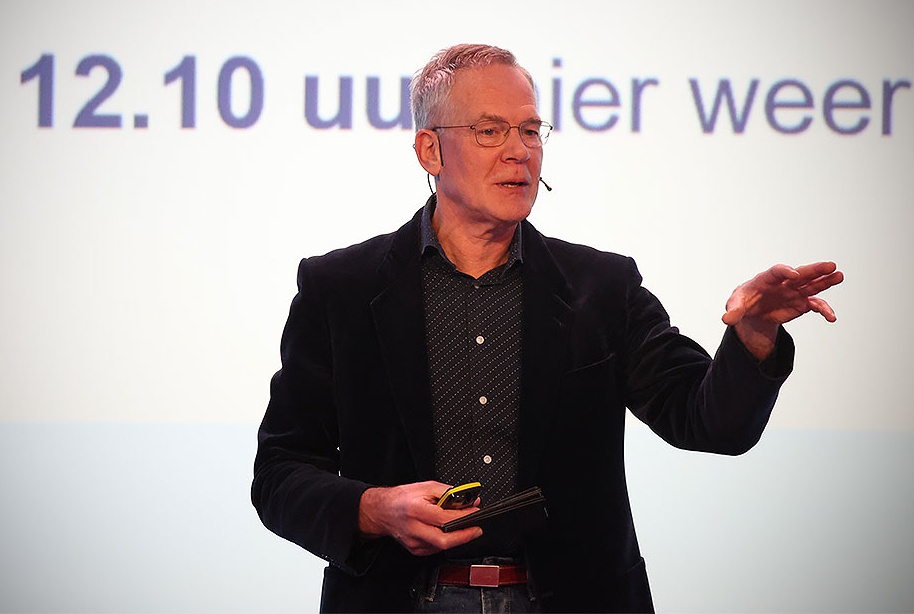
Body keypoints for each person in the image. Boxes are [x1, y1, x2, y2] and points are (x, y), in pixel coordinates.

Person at [251, 43, 843, 613]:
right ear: (430, 151)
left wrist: (754, 334)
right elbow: (279, 475)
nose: (520, 151)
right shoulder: (341, 288)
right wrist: (373, 509)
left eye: (531, 131)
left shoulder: (602, 288)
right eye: (490, 131)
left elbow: (709, 422)